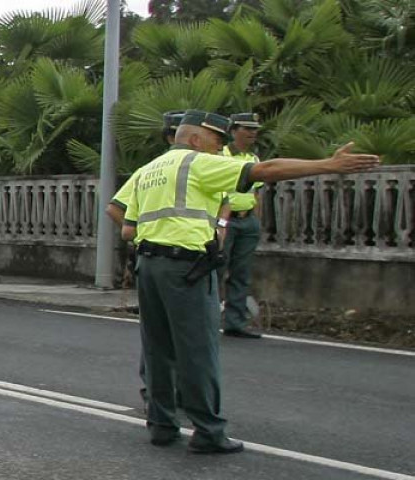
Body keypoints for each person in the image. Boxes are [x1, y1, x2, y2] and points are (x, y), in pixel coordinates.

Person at [117, 109, 379, 454]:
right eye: (216, 139)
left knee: (158, 349)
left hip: (149, 266)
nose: (220, 147)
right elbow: (266, 170)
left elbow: (127, 224)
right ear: (196, 139)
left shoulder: (149, 170)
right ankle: (208, 432)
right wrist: (328, 165)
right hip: (186, 269)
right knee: (197, 351)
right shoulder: (196, 163)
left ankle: (162, 425)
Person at [106, 110, 184, 410]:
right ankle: (158, 393)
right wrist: (140, 236)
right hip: (163, 259)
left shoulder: (205, 166)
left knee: (173, 333)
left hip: (193, 260)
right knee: (161, 333)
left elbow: (227, 203)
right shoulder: (154, 170)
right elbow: (116, 209)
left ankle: (170, 396)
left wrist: (222, 229)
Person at [221, 113, 265, 339]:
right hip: (225, 221)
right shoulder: (221, 155)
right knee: (216, 270)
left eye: (254, 129)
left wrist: (256, 220)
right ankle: (208, 319)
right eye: (246, 129)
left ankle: (235, 322)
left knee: (241, 273)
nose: (252, 133)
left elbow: (256, 192)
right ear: (233, 130)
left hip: (247, 219)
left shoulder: (253, 159)